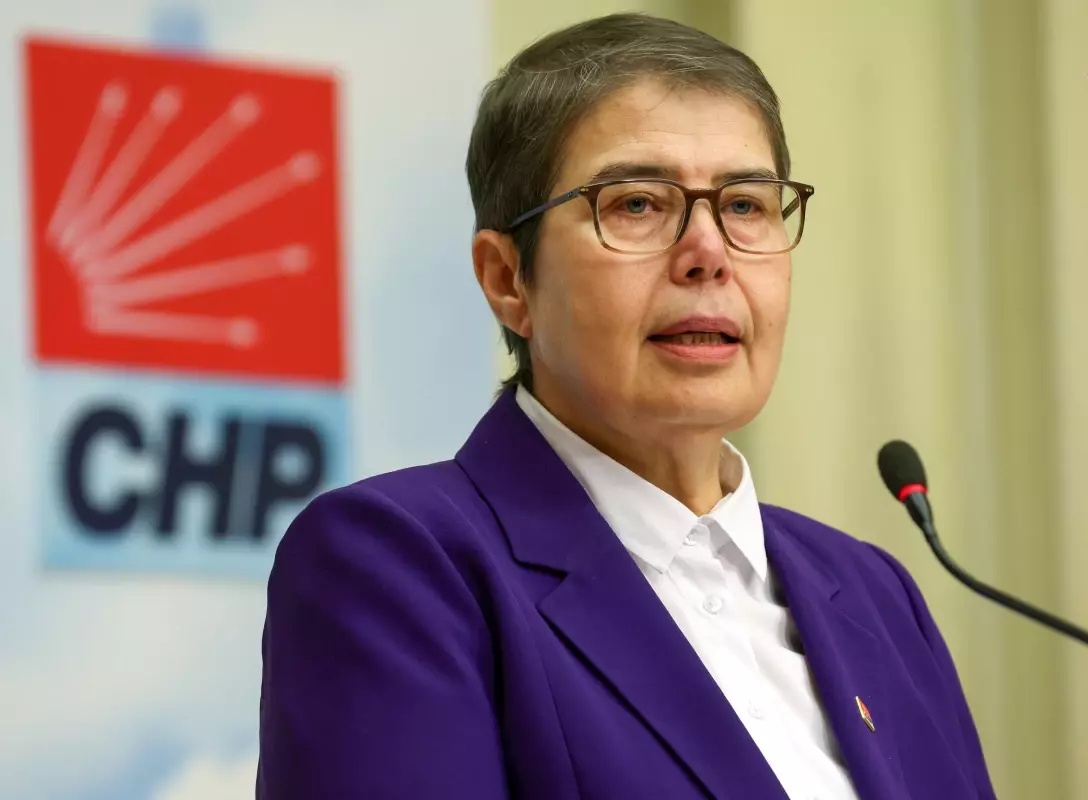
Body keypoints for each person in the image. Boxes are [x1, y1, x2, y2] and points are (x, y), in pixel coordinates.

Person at [256, 13, 996, 800]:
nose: (709, 253)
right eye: (638, 204)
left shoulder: (877, 596)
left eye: (746, 205)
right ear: (509, 281)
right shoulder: (400, 566)